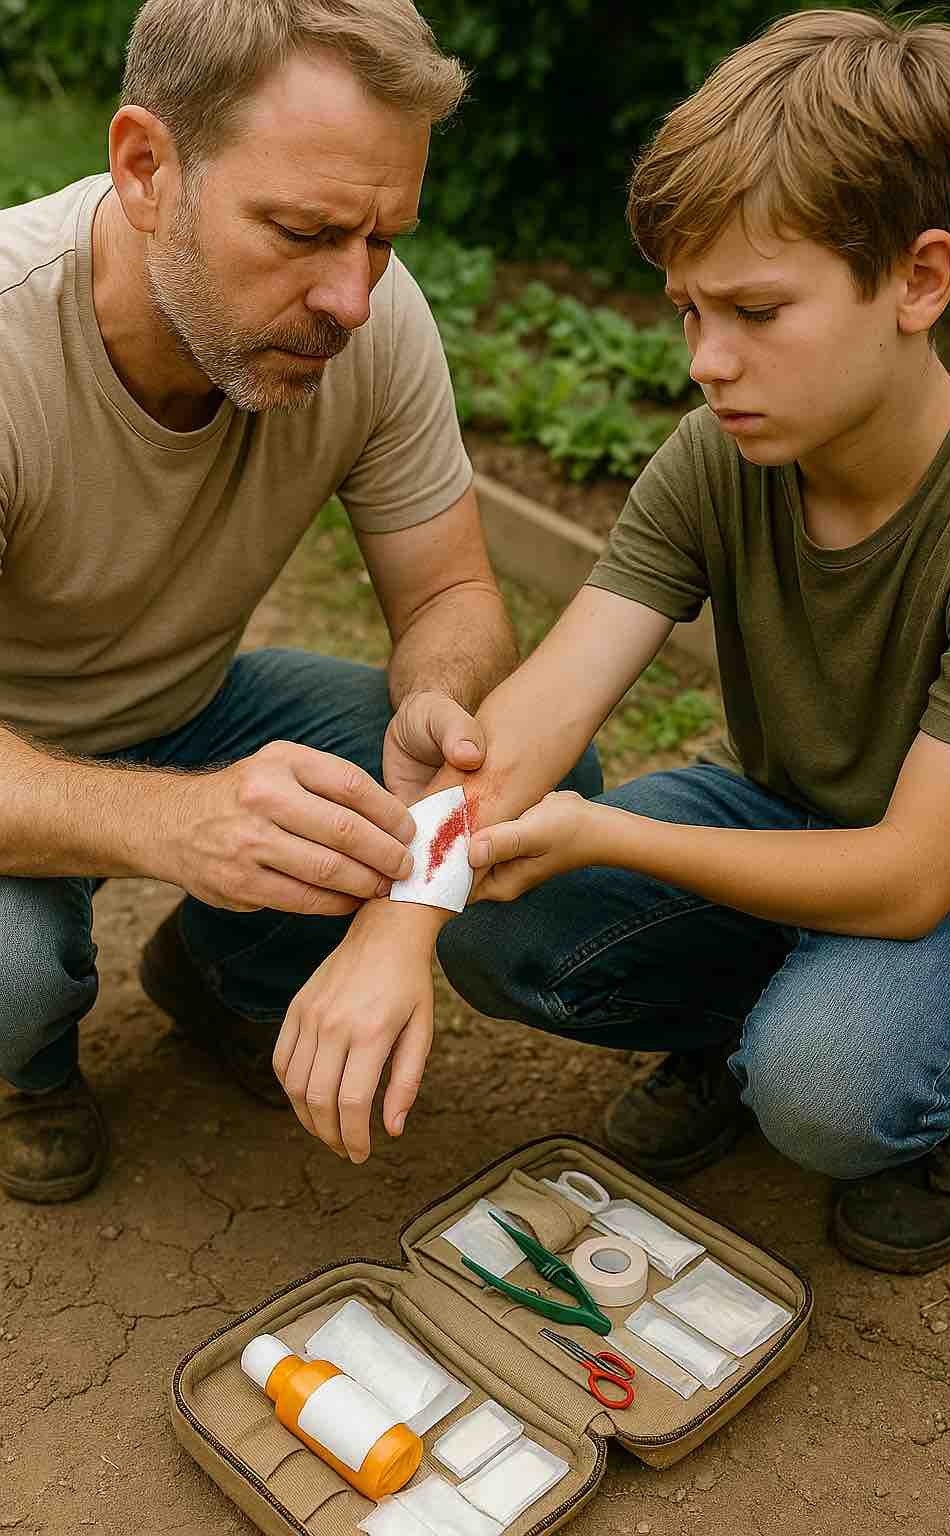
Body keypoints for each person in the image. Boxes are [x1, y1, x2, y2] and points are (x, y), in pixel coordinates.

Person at [278, 8, 950, 1276]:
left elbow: (909, 874)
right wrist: (399, 921)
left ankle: (928, 1100)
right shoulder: (716, 458)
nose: (706, 362)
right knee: (486, 924)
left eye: (753, 310)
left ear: (918, 280)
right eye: (686, 312)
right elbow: (543, 709)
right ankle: (741, 1023)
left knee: (828, 1090)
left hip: (942, 888)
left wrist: (609, 832)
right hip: (768, 816)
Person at [0, 0, 567, 1205]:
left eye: (383, 240)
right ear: (147, 166)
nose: (352, 299)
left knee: (529, 780)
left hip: (192, 705)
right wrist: (175, 825)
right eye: (305, 231)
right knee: (8, 973)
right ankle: (31, 1067)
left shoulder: (369, 322)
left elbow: (457, 589)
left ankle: (220, 980)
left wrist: (436, 692)